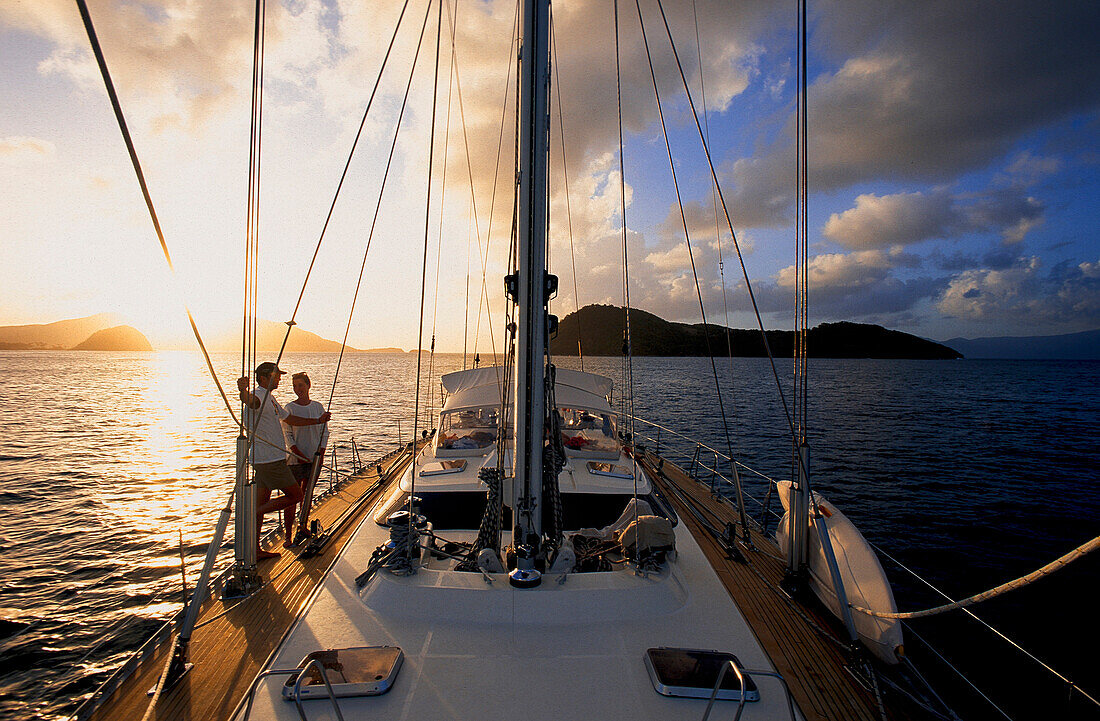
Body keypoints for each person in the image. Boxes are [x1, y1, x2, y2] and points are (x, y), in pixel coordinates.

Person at [237, 362, 331, 560]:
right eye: (276, 375)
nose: (280, 378)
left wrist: (317, 421)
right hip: (271, 459)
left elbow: (289, 419)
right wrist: (242, 390)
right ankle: (252, 511)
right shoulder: (259, 396)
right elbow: (249, 401)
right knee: (296, 496)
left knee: (263, 500)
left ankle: (255, 549)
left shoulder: (270, 398)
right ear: (264, 378)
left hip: (264, 459)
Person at [282, 372, 328, 546]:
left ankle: (302, 526)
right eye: (295, 386)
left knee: (307, 493)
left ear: (308, 386)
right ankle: (287, 535)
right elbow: (287, 434)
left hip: (314, 458)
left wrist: (321, 452)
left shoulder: (317, 407)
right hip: (295, 460)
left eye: (300, 385)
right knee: (293, 497)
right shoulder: (289, 409)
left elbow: (325, 431)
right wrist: (297, 454)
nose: (298, 389)